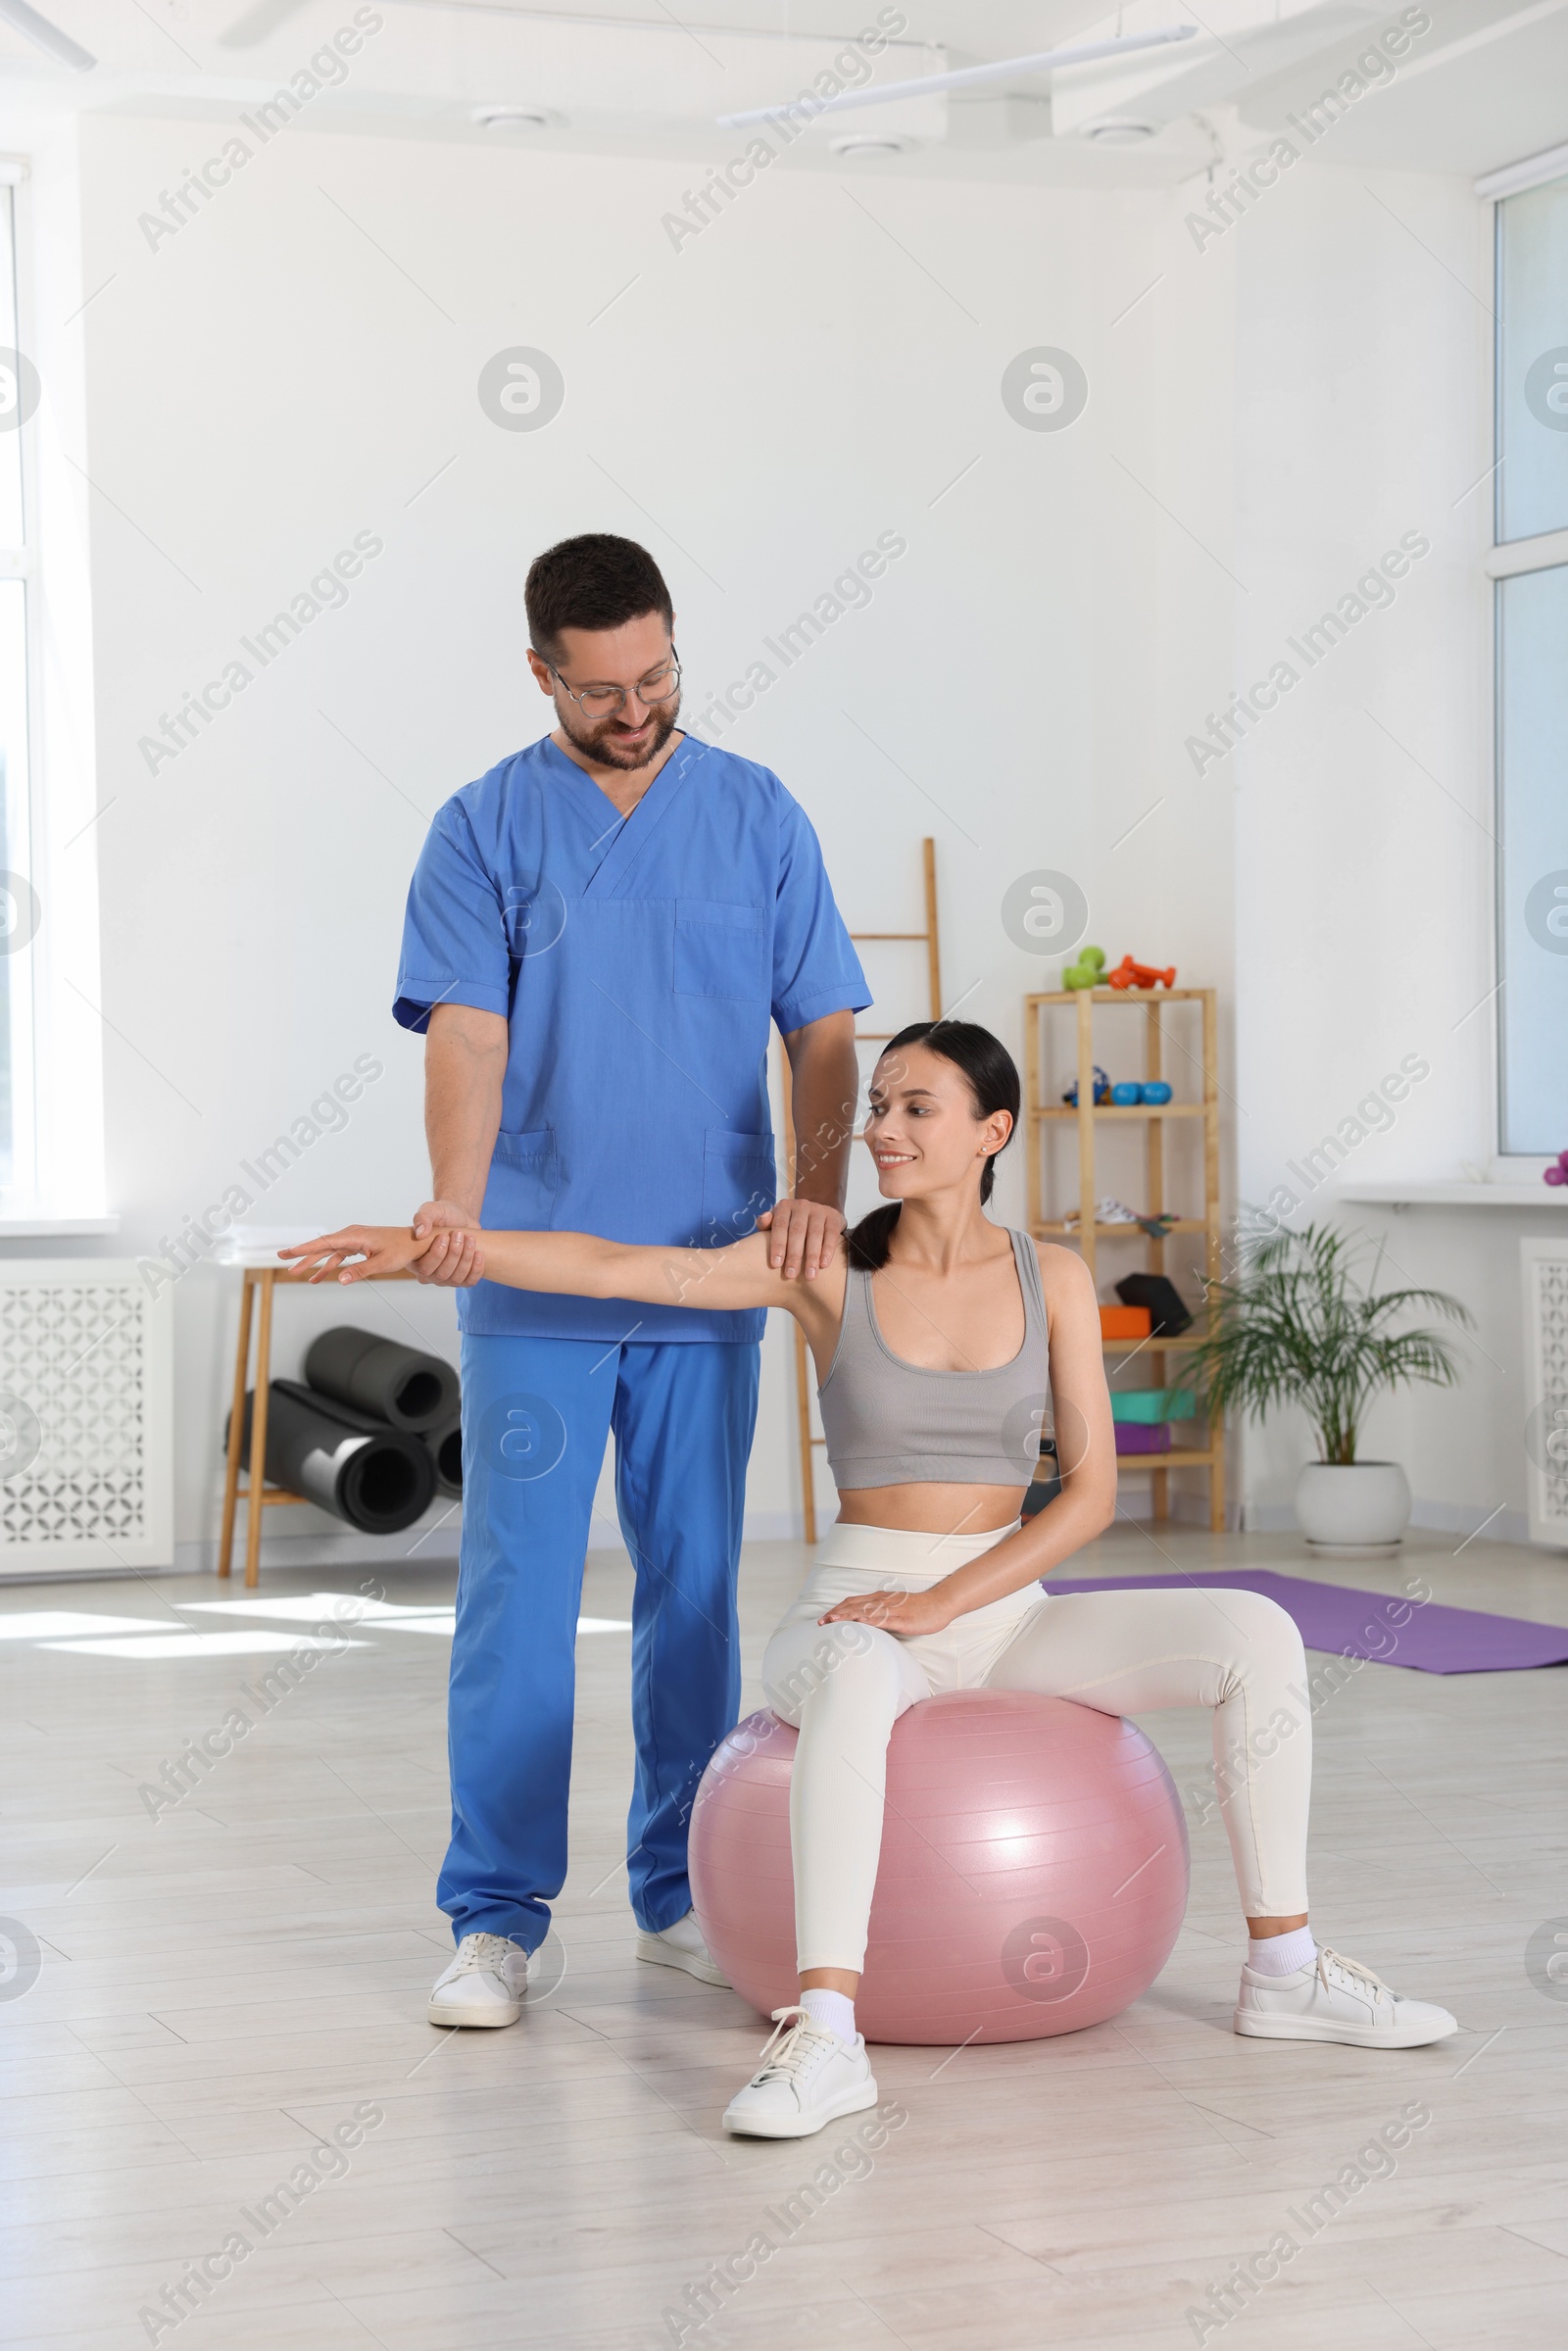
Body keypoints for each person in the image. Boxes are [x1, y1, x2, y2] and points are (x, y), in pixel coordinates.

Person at [285, 1017, 1458, 2134]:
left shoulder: (1049, 1274)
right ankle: (827, 2032)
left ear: (991, 1129)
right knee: (855, 1663)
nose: (882, 1129)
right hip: (854, 1606)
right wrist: (449, 1241)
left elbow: (1090, 1493)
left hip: (999, 1610)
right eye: (880, 1104)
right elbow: (623, 1266)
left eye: (915, 1106)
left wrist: (948, 1603)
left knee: (1254, 1625)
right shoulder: (822, 1265)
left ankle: (1286, 1966)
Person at [388, 532, 867, 2026]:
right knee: (518, 1594)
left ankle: (677, 1887)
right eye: (602, 688)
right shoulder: (481, 826)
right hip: (536, 1276)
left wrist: (811, 1202)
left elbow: (827, 1030)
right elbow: (464, 1031)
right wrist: (456, 1209)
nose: (638, 705)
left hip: (703, 1276)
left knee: (695, 1589)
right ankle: (496, 1916)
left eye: (656, 672)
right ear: (542, 672)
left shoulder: (757, 813)